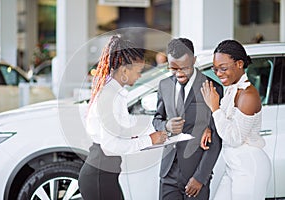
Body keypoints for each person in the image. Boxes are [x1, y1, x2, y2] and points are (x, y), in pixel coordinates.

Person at [78, 35, 167, 200]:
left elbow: (119, 132)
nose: (140, 76)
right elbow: (110, 145)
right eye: (138, 71)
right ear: (125, 70)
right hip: (99, 177)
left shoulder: (114, 93)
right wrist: (150, 140)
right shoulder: (109, 97)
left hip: (104, 175)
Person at [152, 38, 223, 200]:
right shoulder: (164, 85)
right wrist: (166, 125)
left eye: (184, 67)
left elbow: (216, 139)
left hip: (196, 173)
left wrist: (200, 178)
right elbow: (157, 119)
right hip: (168, 173)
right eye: (173, 68)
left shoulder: (212, 88)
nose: (179, 73)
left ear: (194, 60)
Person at [200, 39, 271, 200]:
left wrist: (214, 107)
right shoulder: (232, 89)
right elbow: (226, 121)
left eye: (223, 68)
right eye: (215, 69)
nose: (218, 74)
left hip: (249, 167)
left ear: (239, 64)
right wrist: (209, 128)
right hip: (233, 166)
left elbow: (235, 138)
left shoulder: (248, 95)